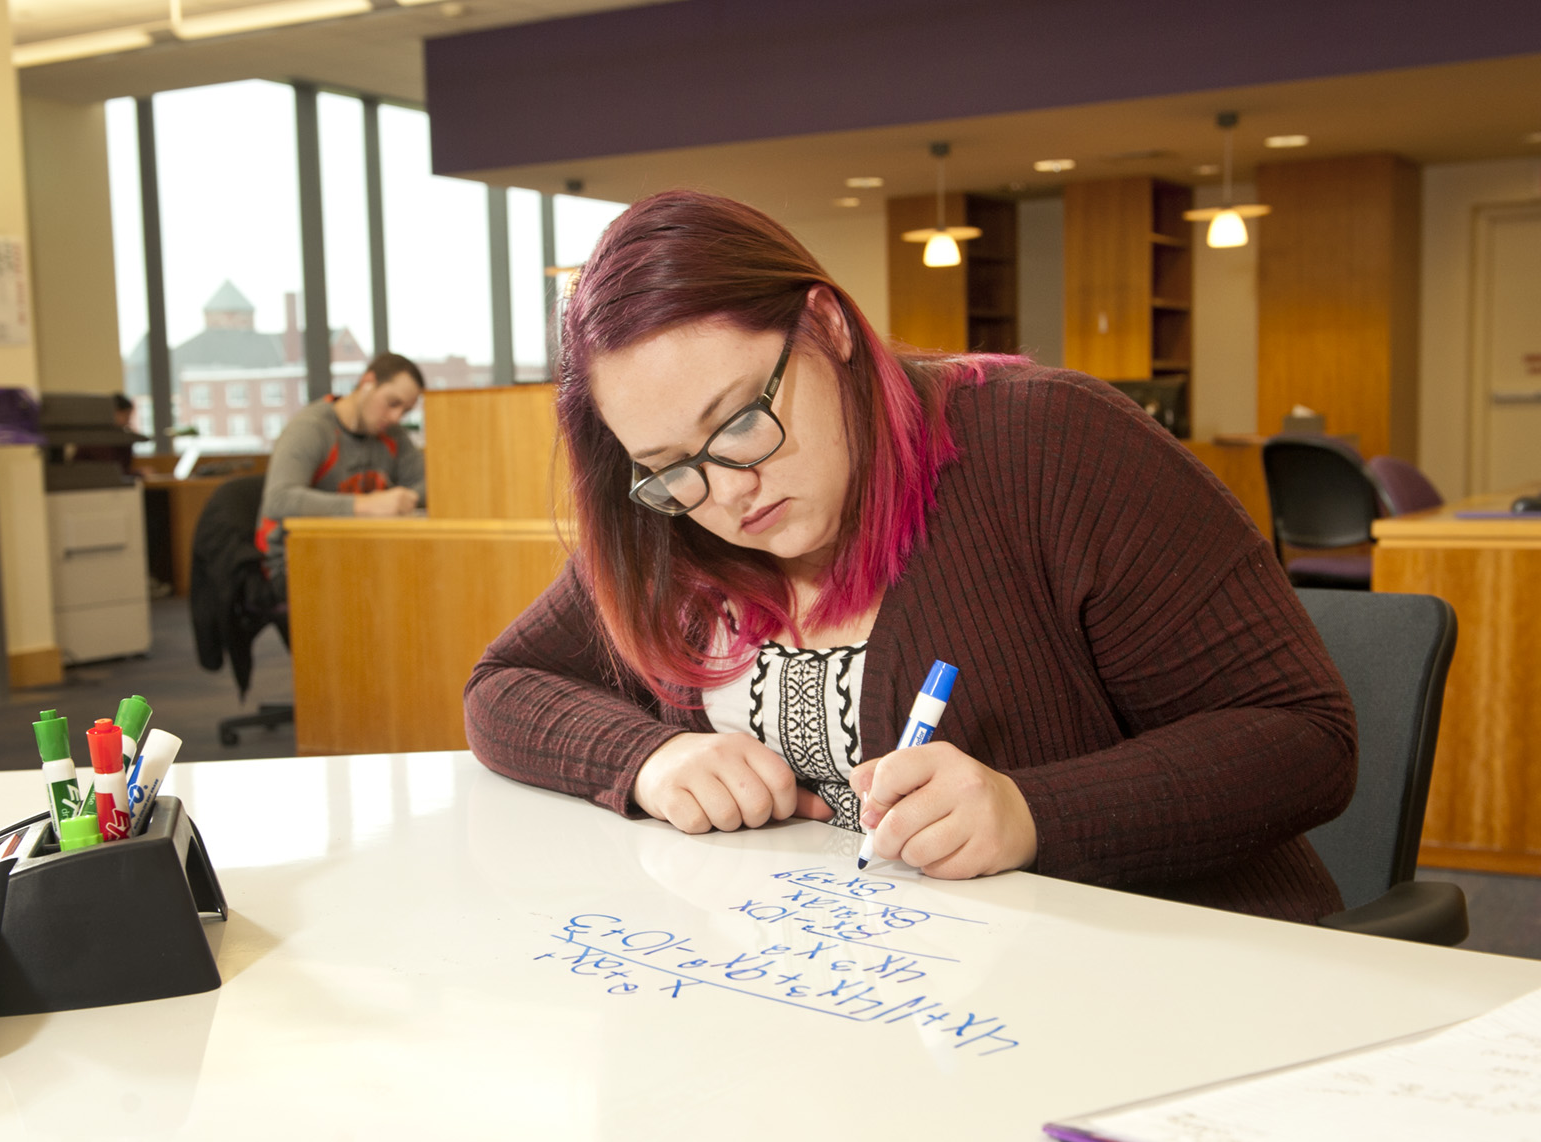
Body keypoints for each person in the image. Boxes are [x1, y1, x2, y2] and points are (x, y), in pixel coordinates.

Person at [464, 190, 1358, 924]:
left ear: (827, 325)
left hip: (1163, 990)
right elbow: (503, 686)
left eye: (739, 421)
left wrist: (1034, 814)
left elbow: (1304, 737)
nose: (729, 491)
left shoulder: (1049, 446)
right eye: (670, 469)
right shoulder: (674, 521)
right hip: (875, 1004)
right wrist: (647, 759)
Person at [255, 353, 427, 596]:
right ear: (368, 382)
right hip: (294, 562)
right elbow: (279, 499)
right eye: (392, 403)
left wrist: (402, 498)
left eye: (405, 410)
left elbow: (429, 484)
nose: (396, 417)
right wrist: (366, 505)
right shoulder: (312, 428)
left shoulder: (392, 434)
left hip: (358, 553)